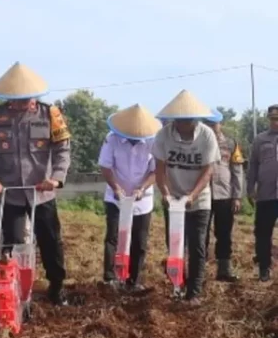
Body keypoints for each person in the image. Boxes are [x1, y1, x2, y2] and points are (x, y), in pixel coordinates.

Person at [0, 62, 72, 306]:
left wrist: (56, 178)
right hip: (10, 193)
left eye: (25, 99)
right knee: (14, 243)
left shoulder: (49, 114)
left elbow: (63, 149)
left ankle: (56, 286)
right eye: (15, 99)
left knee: (51, 241)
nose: (20, 104)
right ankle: (16, 291)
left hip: (42, 193)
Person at [153, 90, 220, 304]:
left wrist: (192, 195)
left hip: (199, 199)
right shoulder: (163, 135)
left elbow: (208, 170)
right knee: (174, 244)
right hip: (173, 198)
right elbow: (160, 168)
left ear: (194, 120)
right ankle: (177, 285)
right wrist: (165, 193)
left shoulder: (206, 135)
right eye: (180, 121)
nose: (183, 125)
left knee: (198, 245)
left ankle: (194, 292)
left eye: (188, 121)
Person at [98, 104, 159, 289]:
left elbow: (156, 171)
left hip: (142, 199)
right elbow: (105, 166)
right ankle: (110, 278)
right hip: (116, 197)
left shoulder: (152, 142)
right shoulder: (112, 139)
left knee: (139, 240)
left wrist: (142, 188)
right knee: (113, 237)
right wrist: (116, 188)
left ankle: (134, 279)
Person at [203, 109, 242, 282]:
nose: (211, 127)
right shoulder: (199, 142)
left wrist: (237, 196)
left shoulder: (231, 143)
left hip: (225, 195)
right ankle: (199, 272)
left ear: (220, 124)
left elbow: (237, 171)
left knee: (224, 233)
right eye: (208, 124)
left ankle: (224, 270)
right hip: (202, 194)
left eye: (214, 124)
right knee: (200, 235)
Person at [247, 104, 278, 281]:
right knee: (263, 233)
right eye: (273, 119)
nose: (275, 123)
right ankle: (264, 268)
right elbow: (253, 166)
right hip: (266, 195)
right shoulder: (260, 140)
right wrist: (250, 189)